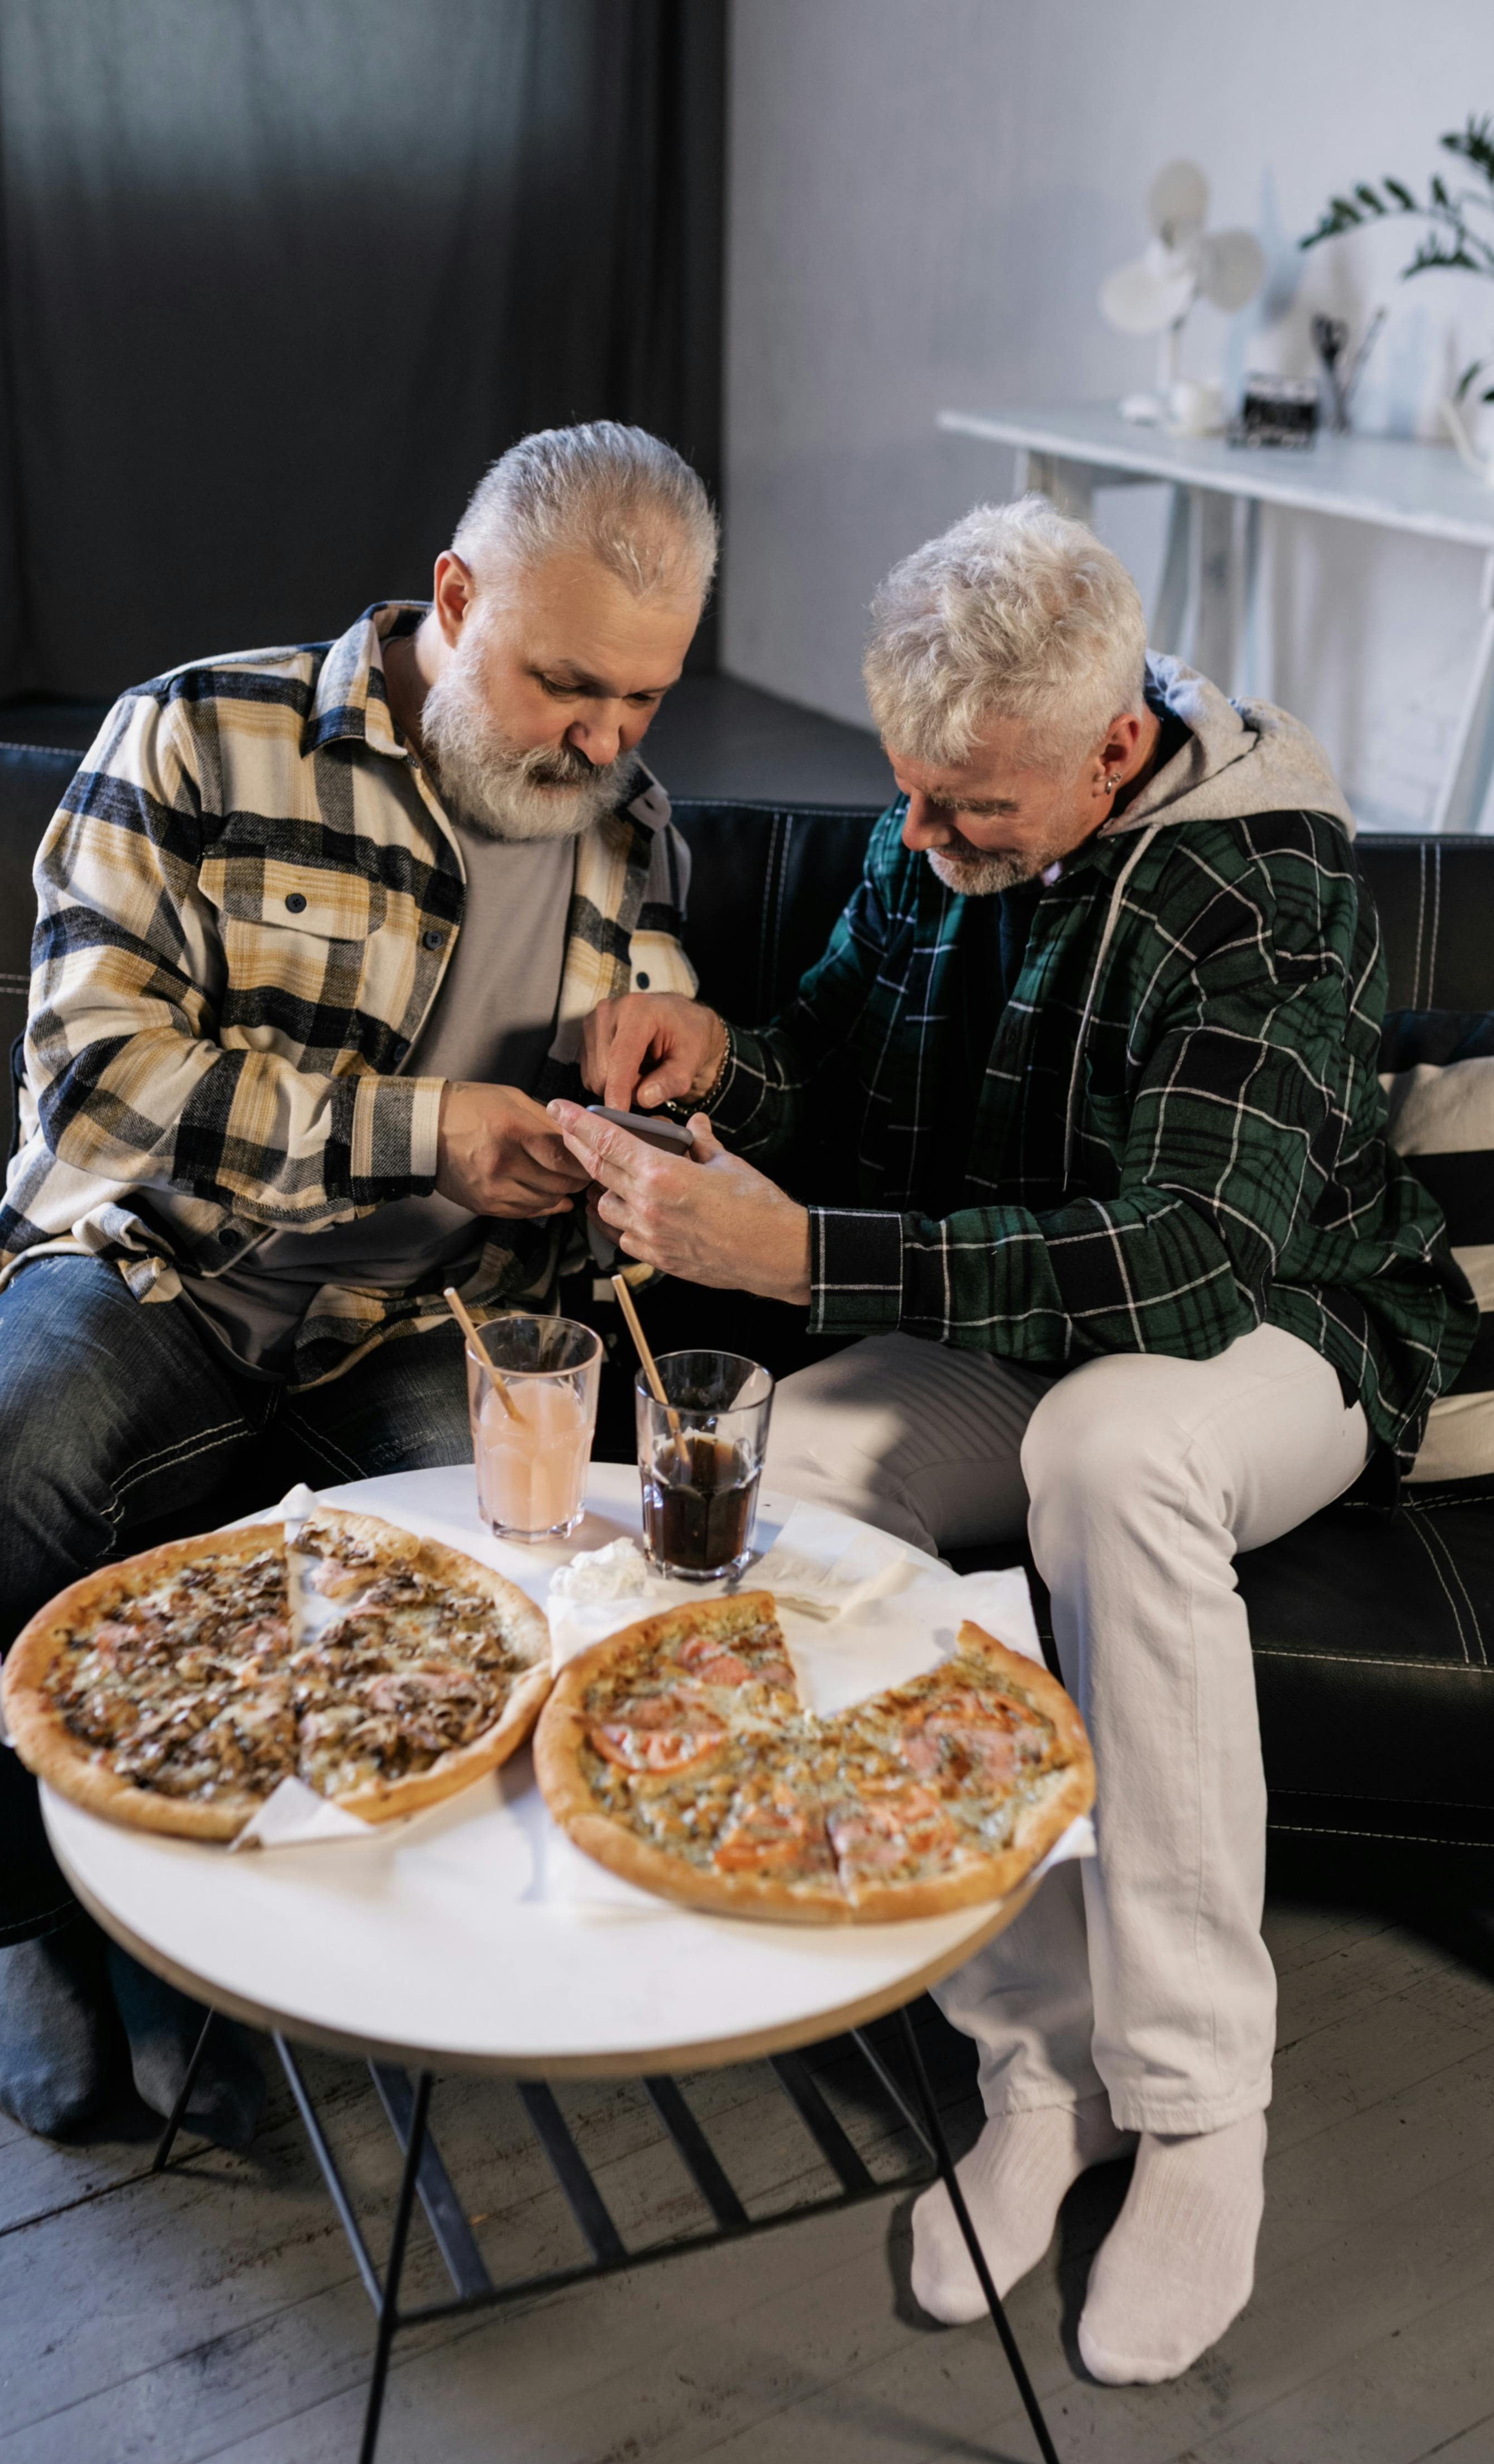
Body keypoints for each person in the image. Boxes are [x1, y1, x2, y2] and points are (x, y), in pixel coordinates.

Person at [552, 496, 1474, 2386]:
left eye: (966, 805)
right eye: (905, 790)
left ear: (1113, 748)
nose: (917, 835)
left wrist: (804, 1251)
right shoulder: (943, 827)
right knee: (782, 1473)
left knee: (1113, 1456)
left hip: (1273, 1330)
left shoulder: (1268, 886)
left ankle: (1204, 2105)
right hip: (1020, 1320)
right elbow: (834, 1048)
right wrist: (721, 1055)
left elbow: (1186, 1257)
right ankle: (1034, 2062)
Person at [0, 421, 716, 2141]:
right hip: (157, 1269)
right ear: (451, 597)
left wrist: (689, 1049)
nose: (606, 738)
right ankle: (31, 1919)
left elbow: (647, 1058)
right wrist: (428, 1131)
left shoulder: (629, 825)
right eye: (571, 682)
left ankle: (227, 1939)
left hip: (428, 1317)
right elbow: (96, 1082)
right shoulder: (198, 731)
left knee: (514, 1565)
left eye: (644, 699)